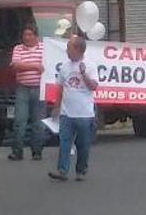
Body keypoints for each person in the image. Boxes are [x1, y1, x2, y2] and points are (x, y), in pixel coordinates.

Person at [48, 36, 99, 181]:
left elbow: (94, 86)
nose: (67, 51)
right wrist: (56, 106)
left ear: (78, 49)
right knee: (64, 142)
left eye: (69, 47)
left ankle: (81, 170)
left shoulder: (90, 65)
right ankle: (62, 170)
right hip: (66, 113)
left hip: (84, 113)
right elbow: (59, 88)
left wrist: (83, 74)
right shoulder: (65, 66)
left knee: (82, 144)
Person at [9, 23, 46, 161]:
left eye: (30, 34)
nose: (27, 37)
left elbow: (48, 65)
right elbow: (16, 65)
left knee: (39, 122)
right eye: (25, 35)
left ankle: (37, 151)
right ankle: (17, 151)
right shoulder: (18, 49)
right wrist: (35, 66)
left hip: (39, 89)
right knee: (20, 120)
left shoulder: (44, 48)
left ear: (36, 36)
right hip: (23, 88)